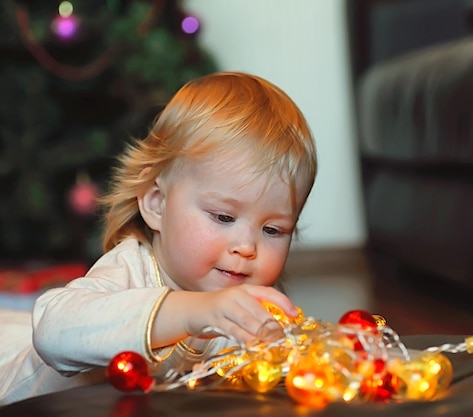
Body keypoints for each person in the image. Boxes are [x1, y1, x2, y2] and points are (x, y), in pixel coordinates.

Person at [0, 71, 317, 405]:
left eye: (273, 230)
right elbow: (52, 330)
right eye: (224, 217)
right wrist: (195, 311)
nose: (247, 247)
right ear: (157, 204)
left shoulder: (250, 301)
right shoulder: (131, 267)